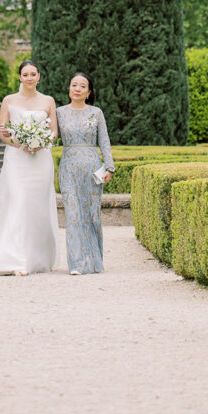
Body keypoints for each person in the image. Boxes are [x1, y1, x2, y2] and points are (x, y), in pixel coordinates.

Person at [0, 59, 60, 275]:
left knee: (37, 206)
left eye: (33, 74)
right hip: (17, 159)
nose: (29, 78)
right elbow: (3, 132)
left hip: (41, 159)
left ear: (39, 76)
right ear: (19, 77)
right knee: (19, 201)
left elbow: (54, 131)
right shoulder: (8, 100)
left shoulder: (48, 101)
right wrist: (21, 144)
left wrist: (40, 142)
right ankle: (14, 259)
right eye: (25, 74)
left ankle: (36, 258)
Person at [56, 72, 114, 274]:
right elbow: (50, 136)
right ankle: (76, 263)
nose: (77, 89)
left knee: (92, 215)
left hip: (92, 167)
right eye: (74, 85)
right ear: (69, 89)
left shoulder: (96, 113)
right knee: (72, 214)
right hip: (68, 167)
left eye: (82, 86)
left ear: (89, 92)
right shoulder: (59, 112)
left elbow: (104, 141)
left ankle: (94, 260)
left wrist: (109, 167)